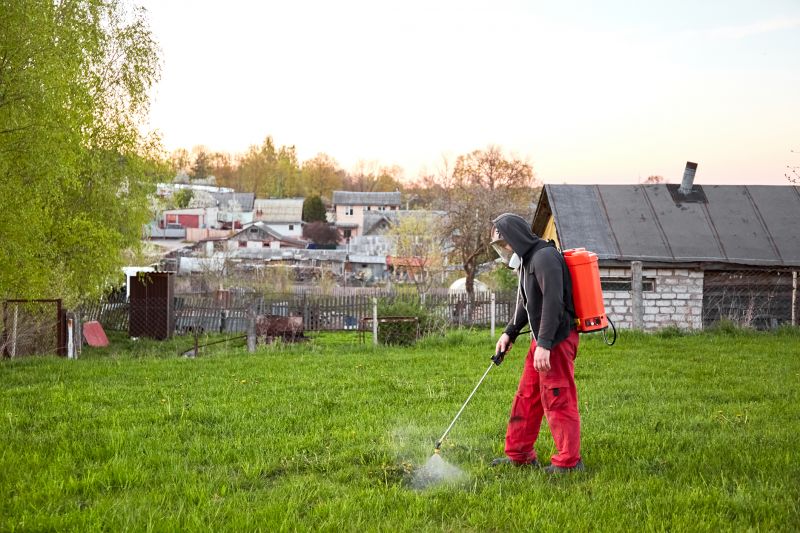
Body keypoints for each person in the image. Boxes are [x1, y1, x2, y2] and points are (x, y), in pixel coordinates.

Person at [490, 213, 584, 473]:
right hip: (540, 340)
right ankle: (519, 454)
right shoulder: (527, 261)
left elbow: (554, 302)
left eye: (503, 244)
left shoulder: (545, 258)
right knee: (527, 396)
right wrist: (509, 332)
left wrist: (544, 344)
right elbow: (528, 303)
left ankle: (569, 462)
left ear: (514, 238)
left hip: (556, 340)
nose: (503, 251)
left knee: (557, 397)